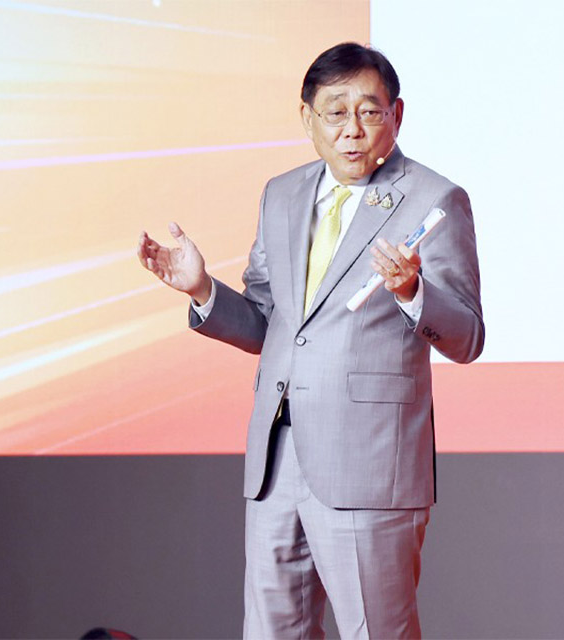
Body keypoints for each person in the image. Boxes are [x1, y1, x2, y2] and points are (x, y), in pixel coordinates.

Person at [138, 42, 484, 639]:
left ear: (396, 115)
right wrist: (202, 290)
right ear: (307, 118)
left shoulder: (434, 199)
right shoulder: (283, 194)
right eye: (335, 112)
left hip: (370, 465)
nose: (352, 130)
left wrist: (412, 291)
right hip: (278, 459)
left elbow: (468, 337)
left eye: (369, 112)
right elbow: (270, 325)